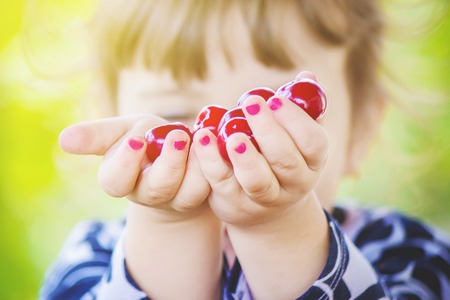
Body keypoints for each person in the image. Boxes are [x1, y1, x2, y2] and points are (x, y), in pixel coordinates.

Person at [39, 0, 450, 299]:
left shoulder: (411, 254)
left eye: (275, 108)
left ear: (361, 131)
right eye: (175, 112)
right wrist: (170, 225)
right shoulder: (87, 259)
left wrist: (282, 226)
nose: (220, 137)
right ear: (108, 117)